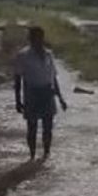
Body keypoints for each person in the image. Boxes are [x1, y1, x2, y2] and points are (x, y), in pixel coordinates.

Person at [14, 27, 68, 161]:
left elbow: (53, 77)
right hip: (32, 93)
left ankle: (46, 155)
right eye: (34, 38)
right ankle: (31, 156)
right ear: (30, 39)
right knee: (32, 127)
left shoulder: (49, 55)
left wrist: (60, 98)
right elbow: (17, 79)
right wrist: (17, 100)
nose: (38, 40)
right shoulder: (23, 55)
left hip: (47, 93)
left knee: (48, 127)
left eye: (40, 37)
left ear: (43, 38)